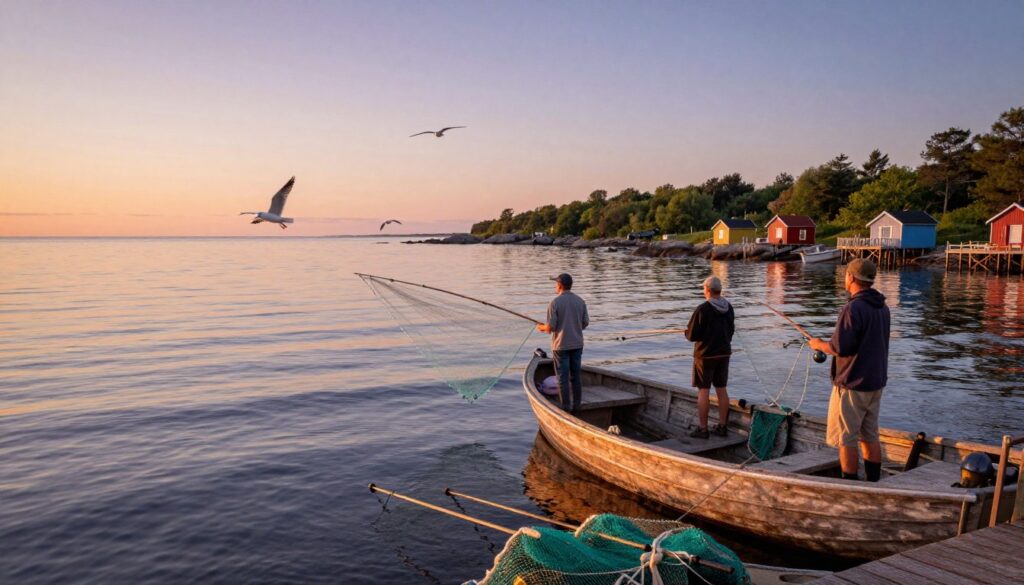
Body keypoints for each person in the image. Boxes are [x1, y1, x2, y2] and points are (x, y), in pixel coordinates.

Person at [809, 258, 890, 482]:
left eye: (845, 274)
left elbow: (838, 347)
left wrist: (818, 344)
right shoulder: (882, 307)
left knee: (846, 438)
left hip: (853, 383)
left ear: (852, 278)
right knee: (870, 436)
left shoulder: (853, 308)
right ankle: (874, 483)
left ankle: (850, 485)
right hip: (876, 383)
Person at [684, 276, 735, 439]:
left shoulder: (702, 309)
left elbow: (692, 335)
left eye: (703, 288)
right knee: (722, 389)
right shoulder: (729, 308)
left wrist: (686, 332)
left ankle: (703, 429)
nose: (703, 291)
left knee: (703, 391)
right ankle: (722, 427)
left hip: (705, 356)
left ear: (707, 290)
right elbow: (731, 331)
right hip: (724, 353)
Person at [536, 273, 589, 412]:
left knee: (562, 378)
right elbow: (585, 323)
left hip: (561, 346)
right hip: (577, 344)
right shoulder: (580, 301)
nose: (555, 285)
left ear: (560, 285)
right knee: (576, 376)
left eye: (556, 283)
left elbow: (550, 328)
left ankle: (566, 408)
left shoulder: (555, 303)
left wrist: (541, 327)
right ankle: (577, 406)